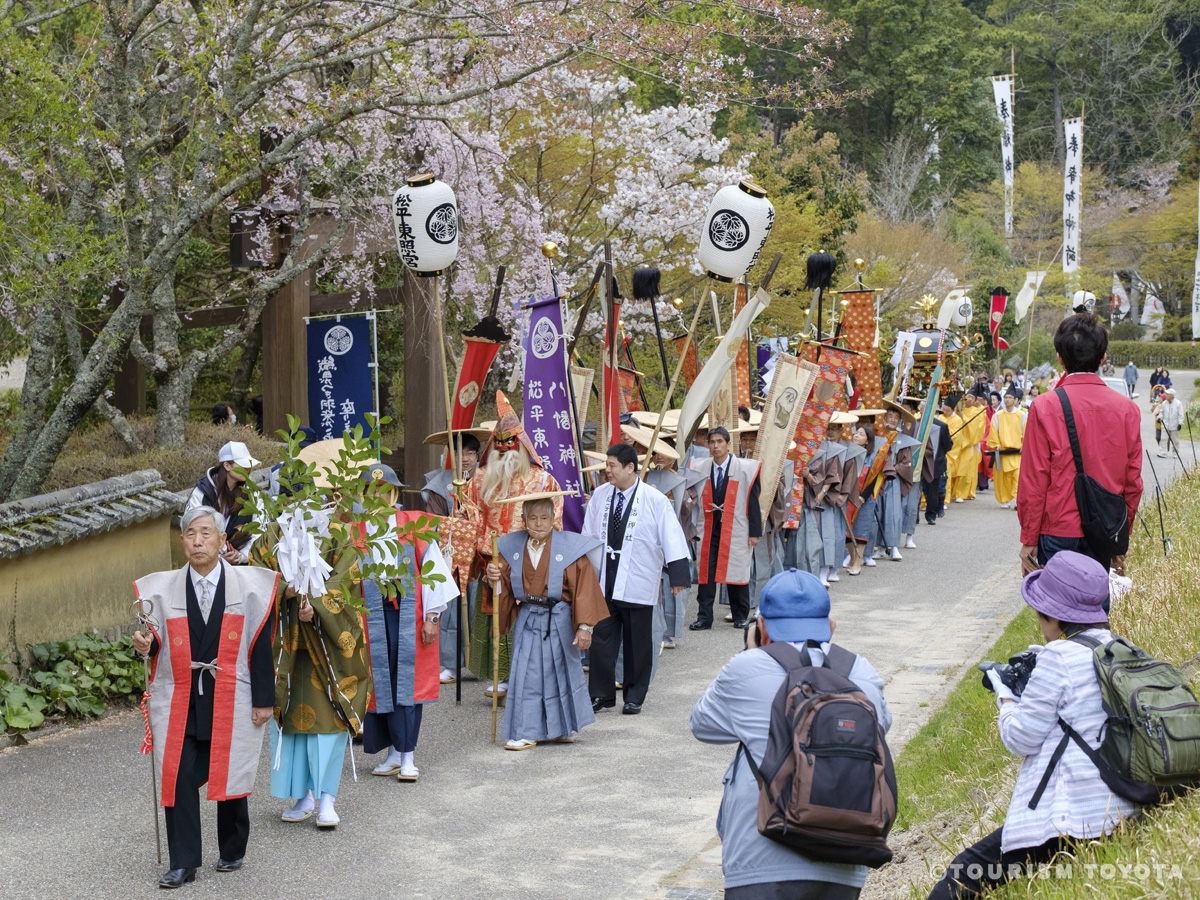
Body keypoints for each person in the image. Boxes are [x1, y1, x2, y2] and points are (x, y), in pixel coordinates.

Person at [927, 552, 1142, 899]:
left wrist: (1006, 697)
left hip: (1074, 818)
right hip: (1125, 803)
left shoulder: (1058, 657)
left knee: (962, 877)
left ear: (1052, 615)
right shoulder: (1121, 647)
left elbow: (1020, 738)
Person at [689, 568, 891, 900]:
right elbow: (881, 727)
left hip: (761, 859)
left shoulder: (747, 668)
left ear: (763, 628)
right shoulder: (862, 672)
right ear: (830, 627)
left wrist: (750, 653)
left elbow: (703, 725)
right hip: (846, 859)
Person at [131, 507, 277, 888]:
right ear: (182, 541)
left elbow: (261, 645)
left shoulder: (251, 587)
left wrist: (265, 698)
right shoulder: (160, 590)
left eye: (206, 534)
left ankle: (232, 847)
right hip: (180, 695)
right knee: (176, 774)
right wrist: (144, 644)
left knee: (229, 768)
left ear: (221, 539)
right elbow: (154, 640)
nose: (198, 541)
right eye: (191, 534)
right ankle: (183, 862)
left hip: (233, 692)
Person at [266, 494, 372, 830]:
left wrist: (318, 605)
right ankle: (303, 795)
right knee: (293, 725)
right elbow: (257, 577)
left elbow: (346, 584)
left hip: (326, 648)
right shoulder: (272, 534)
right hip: (288, 647)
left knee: (327, 723)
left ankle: (327, 797)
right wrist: (286, 592)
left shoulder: (337, 535)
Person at [1018, 314, 1142, 577]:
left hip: (1057, 528)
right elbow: (1133, 481)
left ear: (1060, 358)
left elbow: (1034, 480)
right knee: (1096, 608)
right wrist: (1122, 534)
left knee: (1059, 611)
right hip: (1105, 528)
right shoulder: (1127, 409)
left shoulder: (1044, 407)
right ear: (1102, 357)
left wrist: (1029, 537)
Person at [461, 392, 563, 699]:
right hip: (491, 561)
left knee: (526, 618)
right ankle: (499, 676)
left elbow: (554, 518)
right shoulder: (477, 480)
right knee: (494, 618)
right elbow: (471, 519)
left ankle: (526, 677)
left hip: (528, 563)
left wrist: (534, 549)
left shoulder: (542, 480)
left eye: (511, 447)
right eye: (499, 447)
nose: (505, 453)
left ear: (521, 446)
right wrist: (480, 548)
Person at [361, 465, 458, 782]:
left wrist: (432, 617)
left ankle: (408, 756)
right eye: (371, 493)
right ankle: (391, 753)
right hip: (372, 616)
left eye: (384, 491)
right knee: (379, 684)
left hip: (409, 612)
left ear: (394, 494)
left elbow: (434, 573)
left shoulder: (413, 525)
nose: (378, 499)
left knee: (408, 683)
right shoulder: (355, 533)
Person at [488, 494, 608, 749]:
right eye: (533, 518)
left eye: (544, 518)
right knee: (528, 675)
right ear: (523, 520)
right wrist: (494, 578)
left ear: (554, 518)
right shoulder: (510, 548)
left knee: (561, 672)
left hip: (560, 618)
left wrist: (585, 627)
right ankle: (526, 730)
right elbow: (504, 589)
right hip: (529, 616)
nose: (539, 524)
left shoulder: (570, 548)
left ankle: (561, 728)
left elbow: (585, 589)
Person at [583, 444, 690, 714]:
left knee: (637, 643)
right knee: (602, 640)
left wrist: (678, 575)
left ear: (630, 468)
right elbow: (588, 534)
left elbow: (672, 537)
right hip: (605, 579)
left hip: (638, 578)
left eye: (612, 466)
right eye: (606, 465)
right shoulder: (600, 495)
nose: (606, 470)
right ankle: (601, 694)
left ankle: (634, 695)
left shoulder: (655, 500)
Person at [688, 426, 762, 630]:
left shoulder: (746, 468)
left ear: (729, 444)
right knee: (706, 572)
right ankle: (704, 617)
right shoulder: (700, 467)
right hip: (708, 526)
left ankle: (740, 615)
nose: (715, 445)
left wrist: (754, 532)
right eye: (712, 442)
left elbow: (753, 501)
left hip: (737, 525)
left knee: (738, 570)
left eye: (720, 441)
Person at [184, 441, 260, 565]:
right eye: (242, 464)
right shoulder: (202, 493)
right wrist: (217, 558)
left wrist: (242, 556)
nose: (248, 468)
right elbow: (190, 530)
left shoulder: (252, 493)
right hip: (206, 566)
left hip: (242, 566)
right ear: (227, 466)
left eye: (249, 464)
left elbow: (260, 528)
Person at [985, 387, 1026, 509]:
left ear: (1015, 400)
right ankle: (1006, 499)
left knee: (1018, 476)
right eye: (1006, 398)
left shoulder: (1022, 415)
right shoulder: (997, 416)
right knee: (1005, 478)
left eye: (1010, 398)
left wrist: (1024, 444)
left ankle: (1018, 499)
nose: (1007, 400)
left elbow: (1026, 432)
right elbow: (994, 432)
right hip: (1003, 452)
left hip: (1017, 453)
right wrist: (996, 444)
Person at [1156, 387, 1184, 459]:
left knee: (1175, 440)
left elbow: (1181, 414)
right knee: (1163, 439)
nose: (1165, 395)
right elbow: (1162, 412)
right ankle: (1162, 452)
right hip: (1165, 425)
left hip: (1175, 425)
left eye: (1167, 394)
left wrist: (1180, 423)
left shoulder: (1178, 403)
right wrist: (1159, 418)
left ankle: (1175, 453)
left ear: (1172, 395)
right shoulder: (1164, 403)